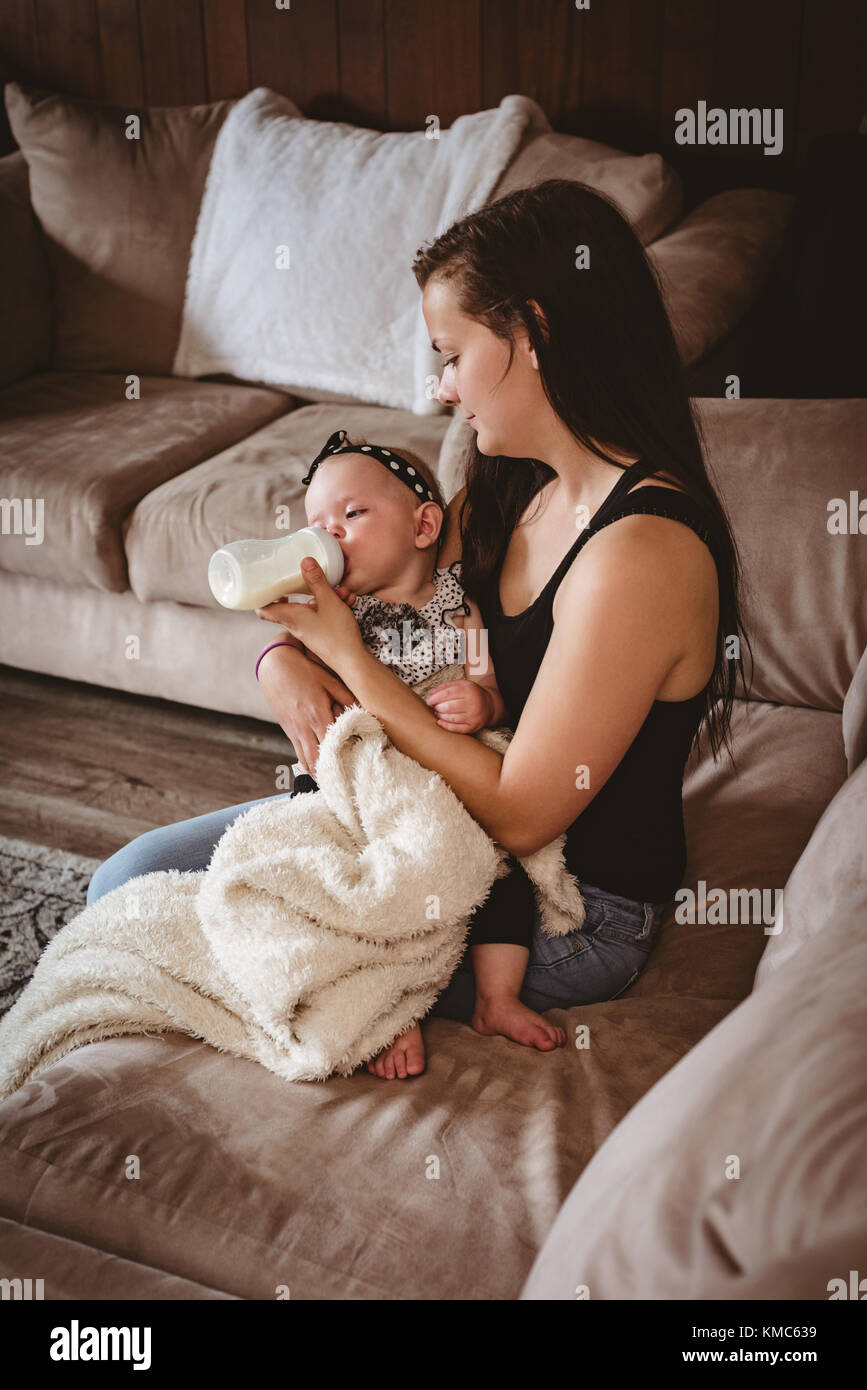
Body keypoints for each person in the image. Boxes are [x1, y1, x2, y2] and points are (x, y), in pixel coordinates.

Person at [87, 178, 752, 1085]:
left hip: (556, 909)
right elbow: (376, 595)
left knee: (167, 928)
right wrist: (283, 658)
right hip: (428, 832)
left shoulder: (640, 552)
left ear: (533, 330)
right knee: (127, 877)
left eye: (450, 354)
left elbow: (522, 812)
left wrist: (348, 661)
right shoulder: (509, 486)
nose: (439, 391)